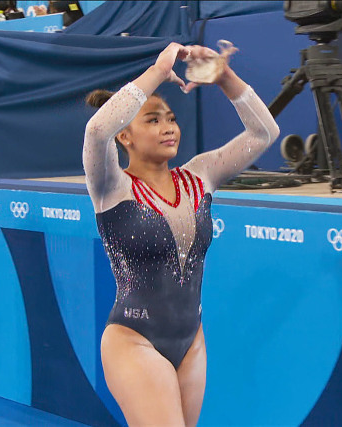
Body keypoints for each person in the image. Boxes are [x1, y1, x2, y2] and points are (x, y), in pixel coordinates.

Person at [83, 42, 279, 425]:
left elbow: (264, 132)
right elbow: (96, 130)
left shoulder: (200, 175)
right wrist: (158, 70)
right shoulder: (112, 186)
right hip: (133, 339)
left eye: (170, 118)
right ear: (126, 136)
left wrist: (223, 76)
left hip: (191, 341)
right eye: (152, 120)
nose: (168, 127)